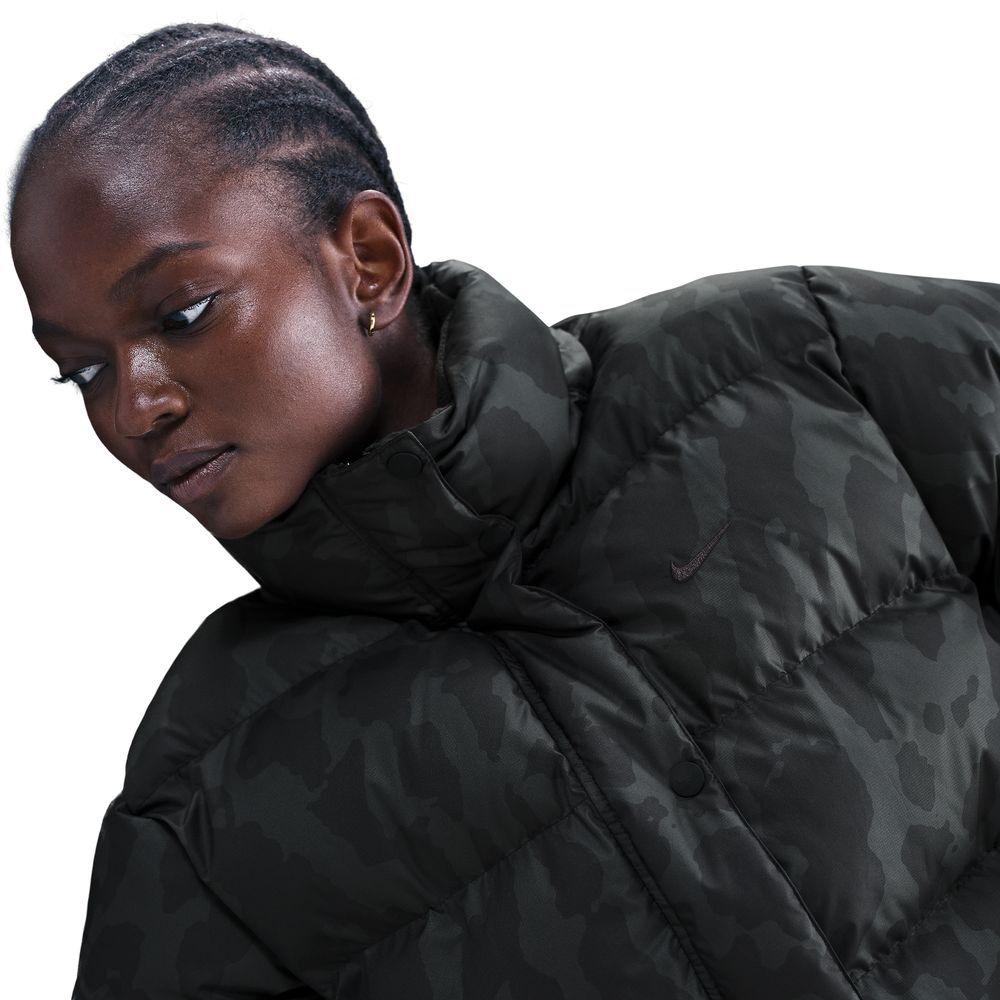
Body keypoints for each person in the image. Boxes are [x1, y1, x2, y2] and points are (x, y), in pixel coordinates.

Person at [9, 21, 1000, 1000]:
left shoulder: (789, 363)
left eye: (181, 314)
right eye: (83, 370)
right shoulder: (206, 796)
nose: (133, 407)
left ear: (367, 258)